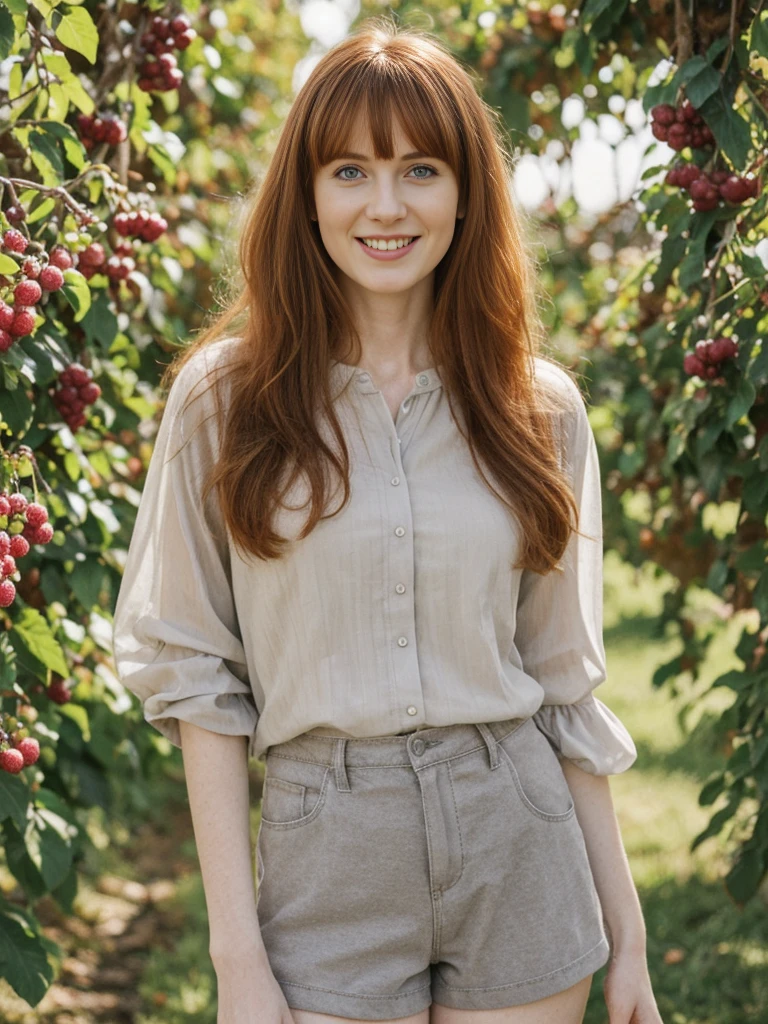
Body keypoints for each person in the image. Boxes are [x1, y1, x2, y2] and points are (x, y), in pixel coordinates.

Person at [112, 17, 663, 1024]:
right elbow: (195, 675)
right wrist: (237, 958)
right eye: (350, 172)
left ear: (464, 194)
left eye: (420, 169)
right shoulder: (224, 401)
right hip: (330, 850)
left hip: (520, 843)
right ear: (307, 194)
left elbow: (561, 684)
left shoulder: (539, 409)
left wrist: (628, 938)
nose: (387, 205)